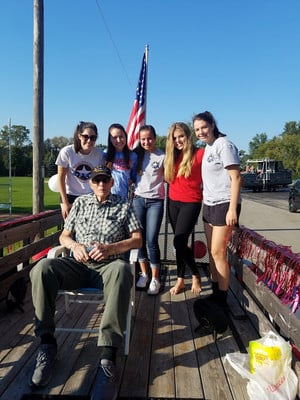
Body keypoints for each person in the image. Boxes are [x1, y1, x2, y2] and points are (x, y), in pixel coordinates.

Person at [29, 165, 142, 400]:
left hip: (109, 265)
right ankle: (47, 344)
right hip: (79, 265)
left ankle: (107, 358)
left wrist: (111, 248)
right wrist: (75, 246)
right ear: (91, 183)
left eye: (105, 180)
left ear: (112, 182)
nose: (101, 184)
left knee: (122, 270)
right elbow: (64, 236)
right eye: (97, 180)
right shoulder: (80, 203)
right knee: (42, 268)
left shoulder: (124, 204)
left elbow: (137, 239)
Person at [193, 111, 242, 309]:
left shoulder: (224, 145)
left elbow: (236, 177)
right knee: (212, 254)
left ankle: (223, 300)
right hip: (210, 204)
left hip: (224, 203)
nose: (201, 132)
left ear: (212, 125)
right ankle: (215, 293)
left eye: (204, 127)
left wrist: (232, 209)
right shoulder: (208, 147)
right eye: (197, 129)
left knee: (218, 252)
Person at [164, 122, 204, 295]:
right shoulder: (171, 155)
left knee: (179, 242)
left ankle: (195, 274)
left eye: (181, 136)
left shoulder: (200, 154)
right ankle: (180, 280)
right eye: (174, 138)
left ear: (188, 136)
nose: (178, 141)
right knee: (179, 243)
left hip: (191, 202)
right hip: (173, 201)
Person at [133, 125, 165, 295]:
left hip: (155, 202)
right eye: (143, 139)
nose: (146, 142)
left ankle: (155, 278)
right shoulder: (136, 155)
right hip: (138, 200)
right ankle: (143, 274)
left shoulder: (162, 156)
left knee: (151, 240)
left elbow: (169, 177)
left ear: (155, 137)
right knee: (139, 239)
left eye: (149, 138)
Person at [56, 121, 104, 219]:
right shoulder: (67, 152)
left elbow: (100, 178)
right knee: (70, 229)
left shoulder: (99, 154)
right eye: (85, 136)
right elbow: (61, 178)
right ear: (79, 136)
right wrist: (65, 203)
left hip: (91, 196)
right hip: (70, 195)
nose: (89, 140)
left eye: (93, 137)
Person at [104, 123, 137, 199]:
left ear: (125, 136)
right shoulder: (105, 154)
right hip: (108, 197)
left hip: (126, 198)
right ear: (110, 139)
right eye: (114, 137)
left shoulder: (133, 156)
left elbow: (135, 177)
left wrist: (132, 182)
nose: (118, 140)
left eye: (121, 136)